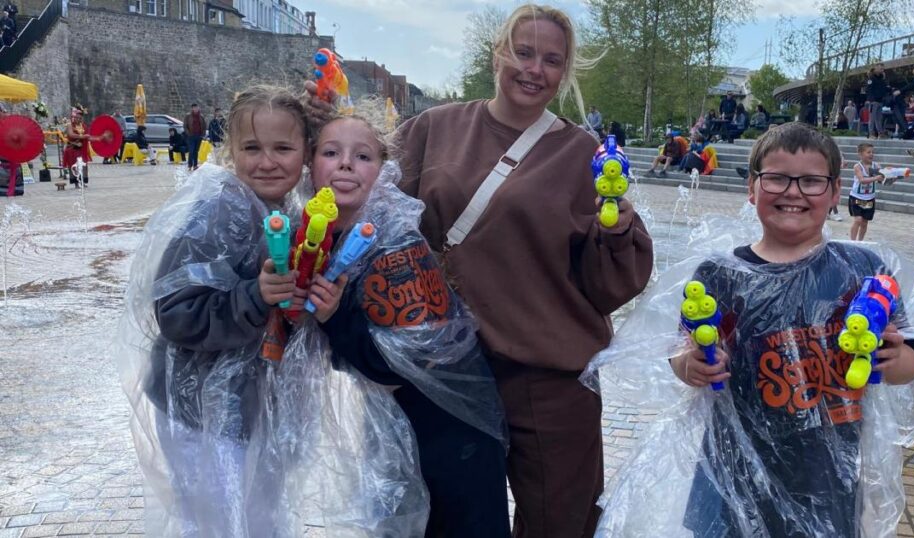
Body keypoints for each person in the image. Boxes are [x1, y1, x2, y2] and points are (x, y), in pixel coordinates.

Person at [336, 5, 655, 536]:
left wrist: (617, 229)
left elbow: (609, 286)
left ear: (565, 72)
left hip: (549, 376)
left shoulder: (583, 153)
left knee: (562, 522)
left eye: (552, 60)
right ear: (498, 55)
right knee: (448, 521)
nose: (535, 69)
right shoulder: (434, 129)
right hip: (445, 370)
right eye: (523, 52)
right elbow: (373, 222)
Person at [582, 121, 914, 537]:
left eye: (811, 181)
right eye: (776, 178)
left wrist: (898, 359)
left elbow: (912, 355)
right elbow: (684, 350)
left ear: (835, 192)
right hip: (734, 467)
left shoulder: (862, 271)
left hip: (829, 473)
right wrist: (692, 365)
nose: (793, 192)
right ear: (752, 188)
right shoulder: (720, 274)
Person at [119, 85, 340, 535]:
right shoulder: (217, 210)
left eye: (283, 147)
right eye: (252, 148)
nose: (267, 161)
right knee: (218, 525)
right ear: (231, 151)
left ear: (306, 153)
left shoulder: (297, 213)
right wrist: (254, 296)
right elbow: (176, 311)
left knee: (260, 519)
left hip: (254, 410)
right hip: (200, 415)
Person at [311, 110, 510, 537]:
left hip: (453, 439)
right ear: (311, 164)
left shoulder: (395, 244)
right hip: (404, 426)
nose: (346, 163)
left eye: (362, 156)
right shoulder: (323, 236)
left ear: (383, 172)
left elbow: (404, 363)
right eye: (331, 152)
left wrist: (333, 318)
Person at [849, 142, 882, 241]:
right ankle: (852, 241)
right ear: (860, 154)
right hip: (856, 197)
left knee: (864, 222)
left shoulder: (876, 166)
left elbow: (881, 180)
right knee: (858, 220)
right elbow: (862, 180)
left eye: (872, 152)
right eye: (868, 152)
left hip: (869, 199)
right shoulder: (857, 166)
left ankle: (860, 242)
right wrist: (876, 177)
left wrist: (889, 176)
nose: (871, 154)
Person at [864, 63, 889, 139]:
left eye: (883, 69)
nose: (882, 70)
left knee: (879, 118)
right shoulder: (871, 78)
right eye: (881, 68)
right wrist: (870, 100)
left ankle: (880, 133)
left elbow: (884, 89)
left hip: (880, 101)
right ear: (876, 69)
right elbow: (868, 90)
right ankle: (871, 133)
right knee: (872, 118)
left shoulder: (882, 79)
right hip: (873, 101)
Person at [183, 102, 207, 171]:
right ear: (192, 108)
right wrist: (188, 133)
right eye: (194, 108)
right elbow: (185, 126)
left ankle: (195, 165)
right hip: (191, 136)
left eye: (196, 107)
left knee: (196, 151)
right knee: (191, 150)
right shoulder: (188, 116)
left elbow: (204, 126)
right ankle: (190, 165)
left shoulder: (201, 116)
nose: (195, 109)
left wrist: (203, 134)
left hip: (199, 136)